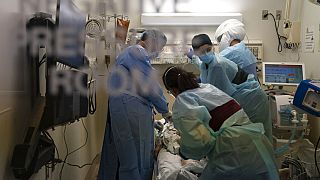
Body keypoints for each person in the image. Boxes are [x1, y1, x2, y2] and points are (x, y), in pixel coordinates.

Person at [162, 66, 279, 180]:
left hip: (232, 148)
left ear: (173, 90)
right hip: (257, 142)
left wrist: (182, 152)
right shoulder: (207, 87)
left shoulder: (183, 101)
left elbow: (199, 142)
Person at [97, 29, 172, 180]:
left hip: (125, 108)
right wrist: (165, 110)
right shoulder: (136, 51)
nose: (159, 52)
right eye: (159, 48)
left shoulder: (130, 54)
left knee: (122, 153)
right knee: (135, 156)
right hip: (130, 110)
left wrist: (152, 123)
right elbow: (149, 85)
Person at [191, 34, 272, 141]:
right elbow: (201, 66)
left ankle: (265, 157)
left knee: (258, 138)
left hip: (252, 100)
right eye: (201, 52)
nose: (206, 53)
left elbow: (218, 98)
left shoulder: (217, 65)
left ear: (213, 47)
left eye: (208, 49)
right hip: (243, 98)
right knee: (249, 139)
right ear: (196, 54)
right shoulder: (205, 63)